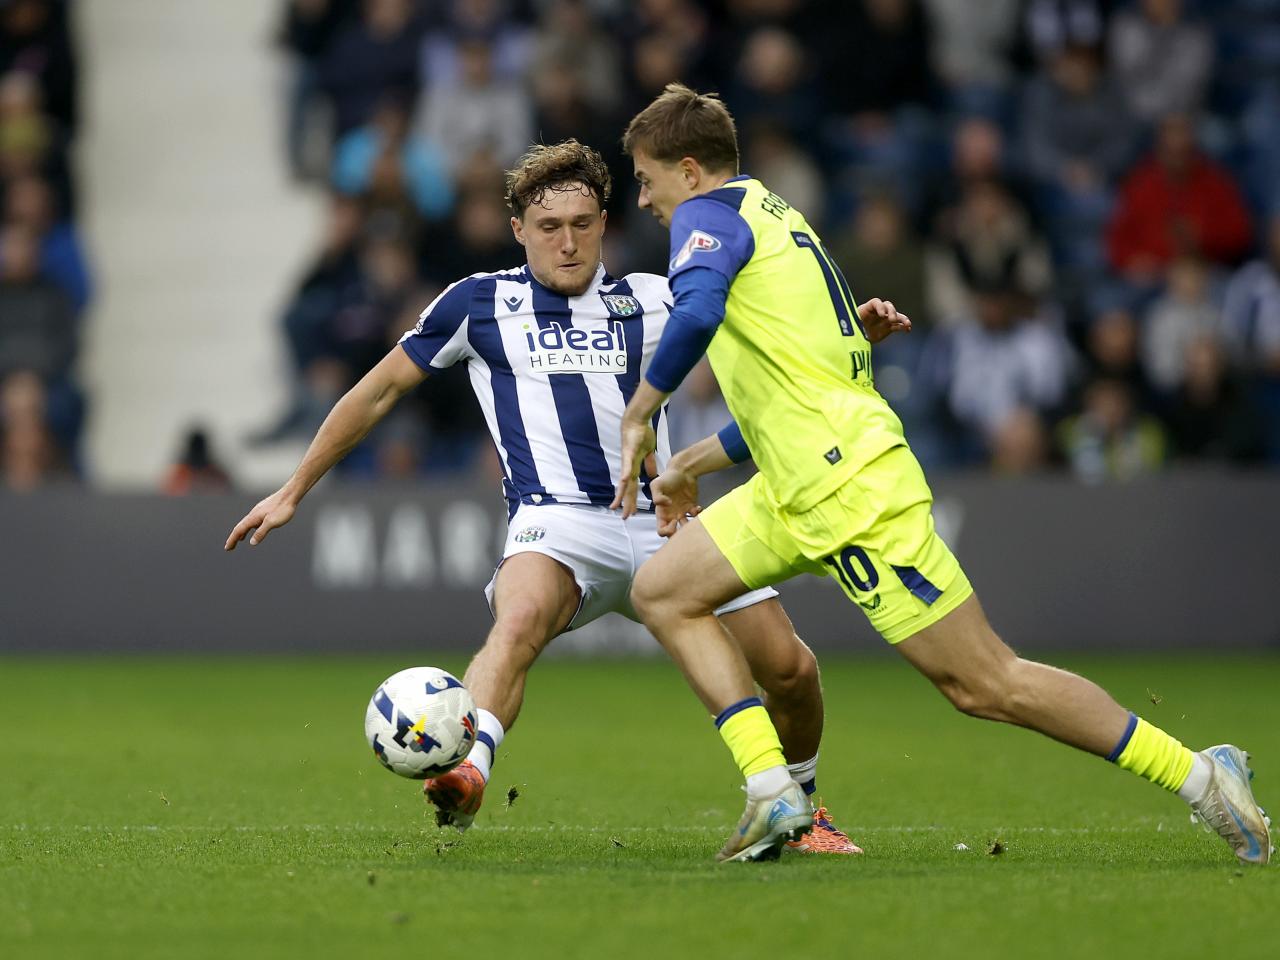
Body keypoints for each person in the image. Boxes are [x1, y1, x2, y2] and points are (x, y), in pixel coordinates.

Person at [612, 83, 1272, 865]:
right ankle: (771, 789)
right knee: (663, 592)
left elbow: (692, 316)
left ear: (690, 170)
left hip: (846, 487)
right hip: (796, 480)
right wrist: (688, 461)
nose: (645, 199)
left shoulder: (706, 218)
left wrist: (640, 413)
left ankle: (1202, 775)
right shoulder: (775, 216)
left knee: (985, 683)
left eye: (649, 178)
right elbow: (799, 392)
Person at [226, 140, 908, 854]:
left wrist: (850, 334)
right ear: (517, 228)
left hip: (668, 521)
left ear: (605, 222)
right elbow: (379, 391)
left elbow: (774, 341)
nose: (569, 241)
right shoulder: (479, 303)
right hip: (557, 523)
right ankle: (469, 770)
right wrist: (294, 488)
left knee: (792, 671)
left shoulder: (658, 296)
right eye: (549, 227)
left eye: (583, 223)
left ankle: (801, 809)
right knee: (517, 622)